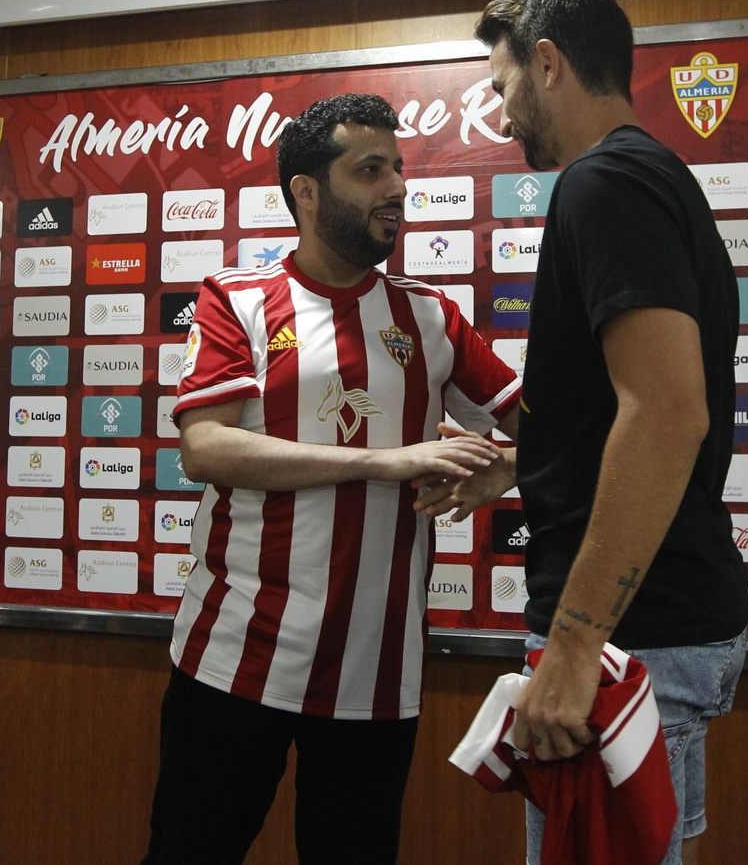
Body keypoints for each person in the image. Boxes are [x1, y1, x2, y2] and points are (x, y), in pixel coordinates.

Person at [140, 93, 523, 865]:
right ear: (306, 191)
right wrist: (388, 459)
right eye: (370, 170)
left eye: (399, 171)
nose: (395, 190)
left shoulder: (431, 316)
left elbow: (553, 431)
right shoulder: (236, 301)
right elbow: (206, 449)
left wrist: (509, 466)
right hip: (233, 661)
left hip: (374, 679)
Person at [420, 0, 748, 865]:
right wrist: (530, 462)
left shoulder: (603, 184)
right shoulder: (646, 179)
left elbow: (668, 412)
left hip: (629, 639)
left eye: (504, 87)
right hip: (654, 630)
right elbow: (624, 405)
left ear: (550, 62)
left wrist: (574, 645)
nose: (503, 111)